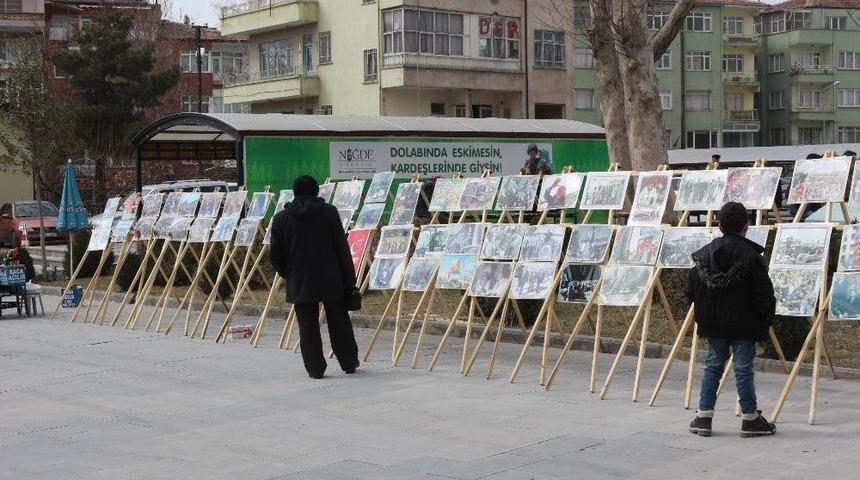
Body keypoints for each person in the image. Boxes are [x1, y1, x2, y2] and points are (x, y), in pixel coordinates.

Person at [687, 202, 777, 437]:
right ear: (746, 227)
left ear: (719, 226)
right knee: (743, 368)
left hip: (713, 323)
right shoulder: (751, 258)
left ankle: (703, 417)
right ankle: (749, 418)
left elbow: (690, 290)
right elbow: (764, 295)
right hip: (745, 324)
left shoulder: (704, 255)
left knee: (713, 366)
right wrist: (764, 321)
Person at [270, 175, 360, 379]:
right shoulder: (328, 213)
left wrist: (289, 273)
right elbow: (341, 248)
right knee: (339, 321)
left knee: (307, 325)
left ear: (294, 193)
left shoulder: (281, 219)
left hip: (299, 279)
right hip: (331, 277)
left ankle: (315, 369)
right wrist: (348, 279)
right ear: (316, 191)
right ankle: (348, 362)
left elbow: (275, 255)